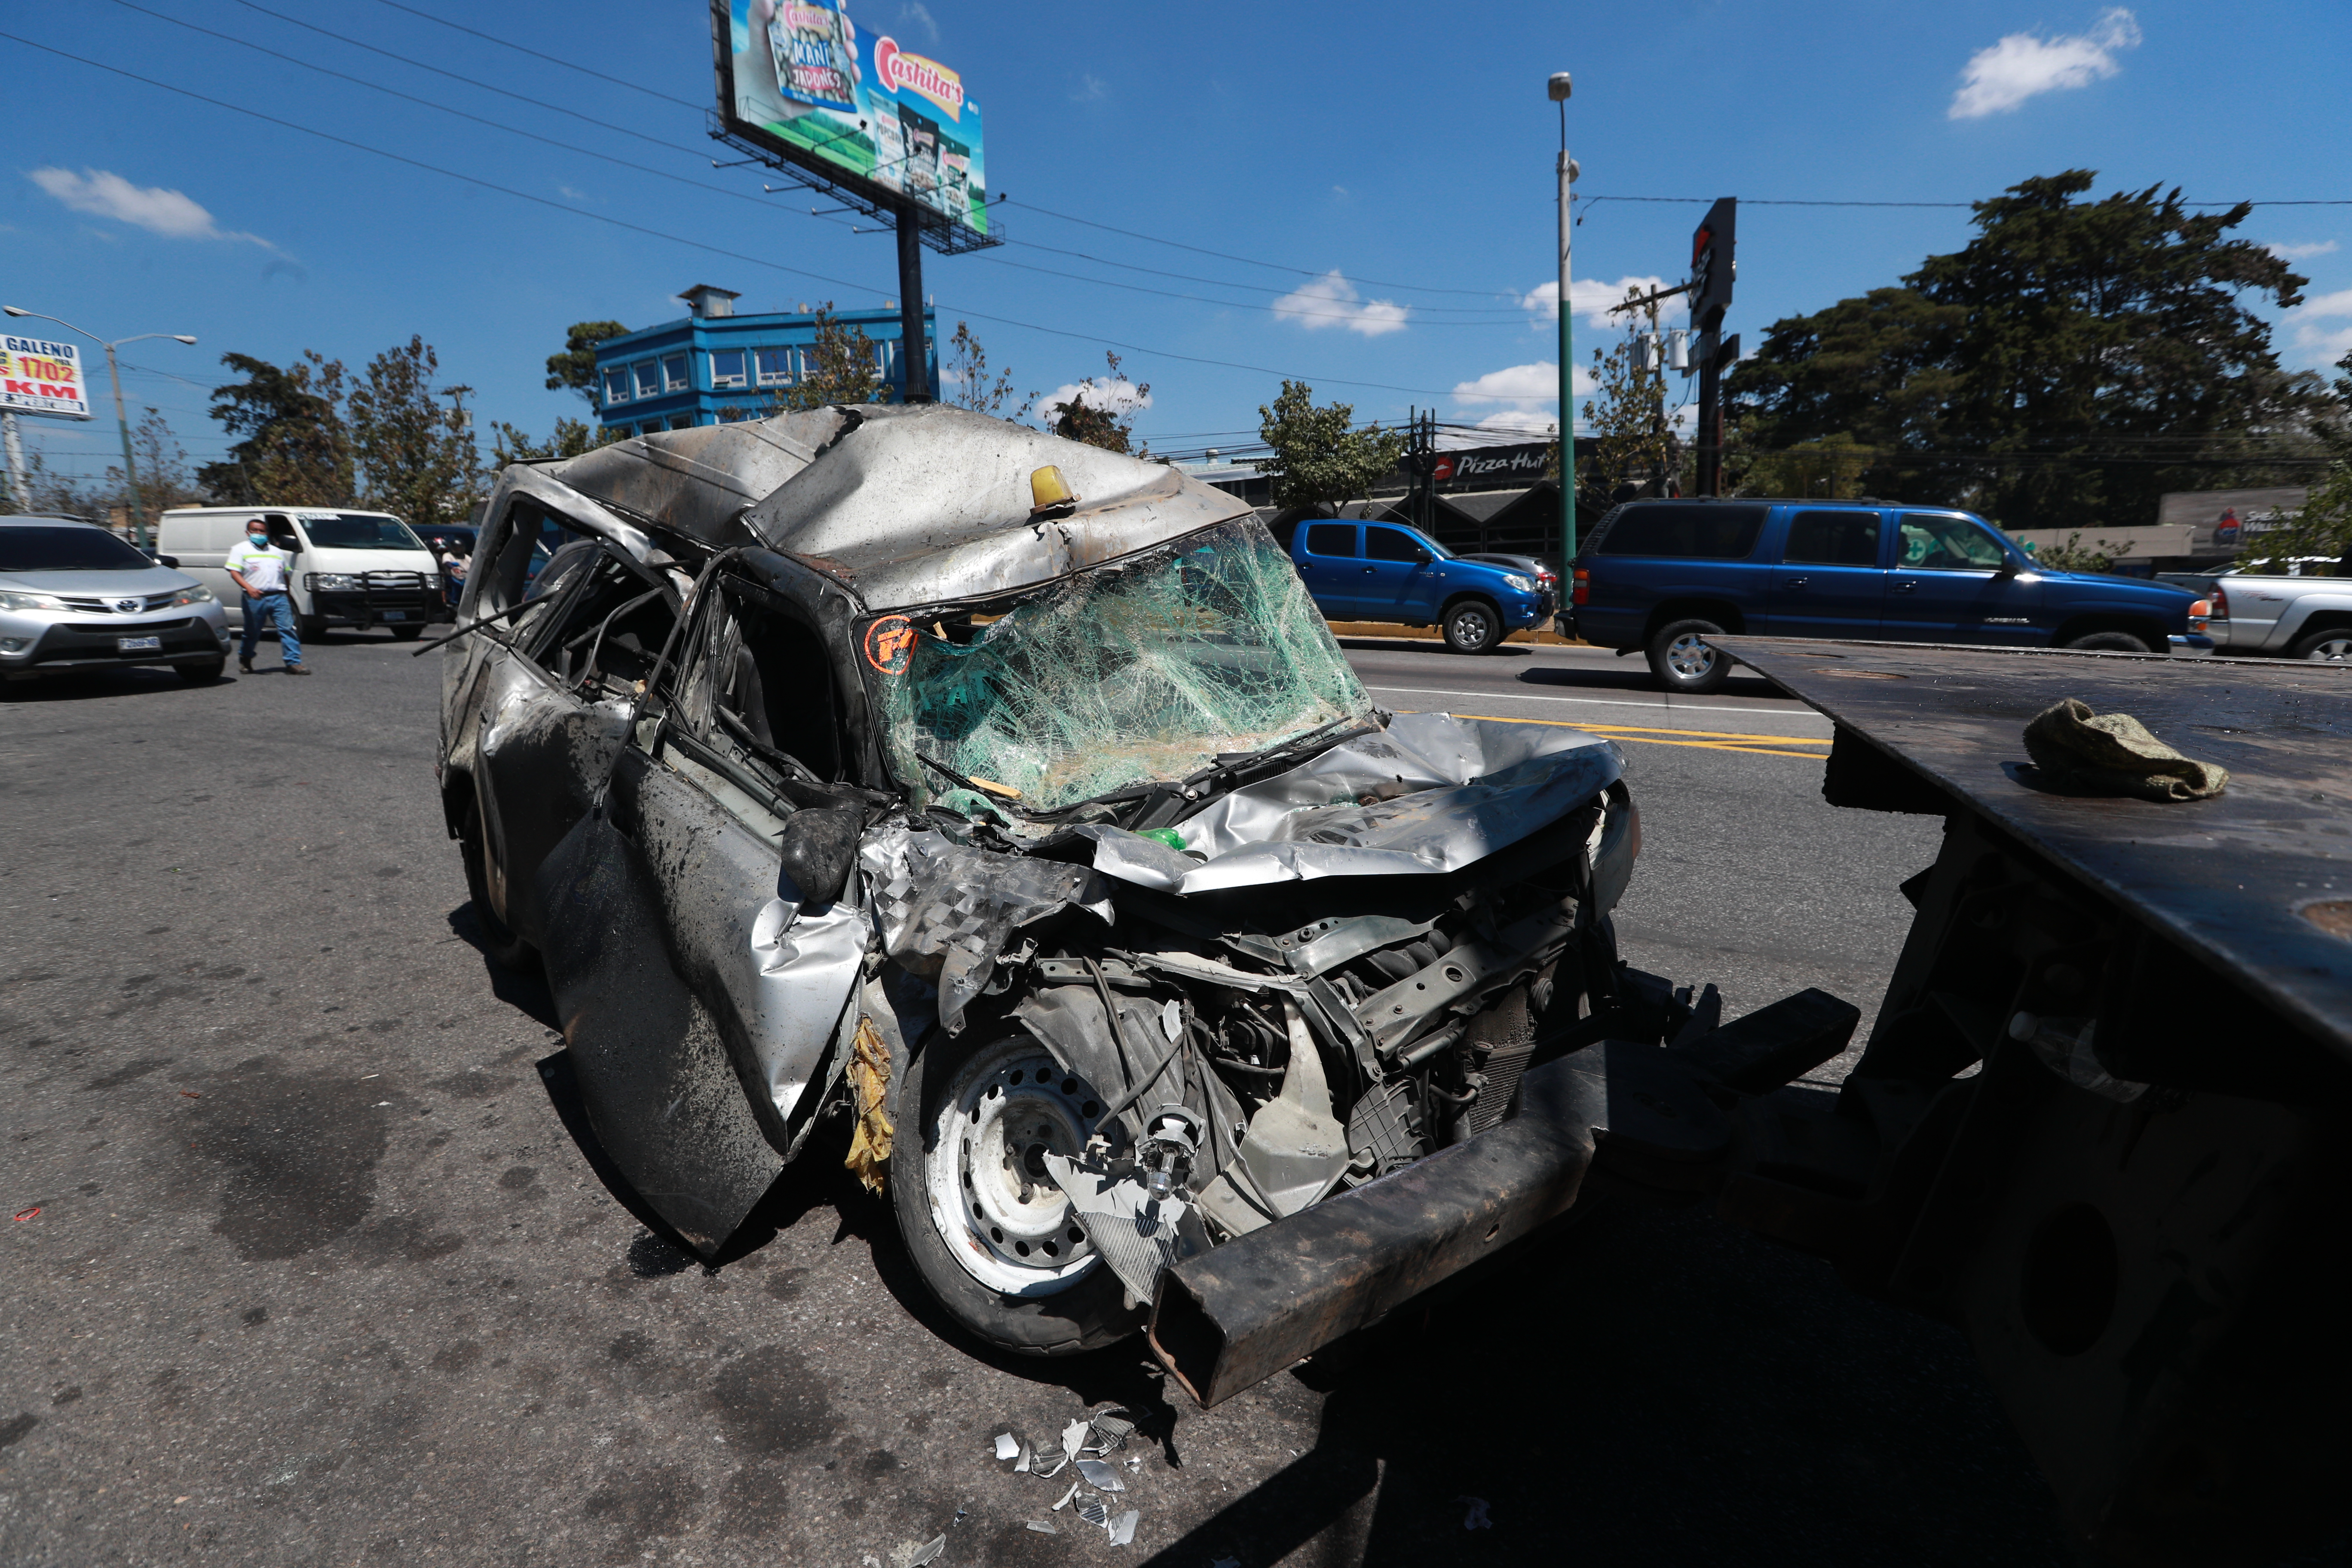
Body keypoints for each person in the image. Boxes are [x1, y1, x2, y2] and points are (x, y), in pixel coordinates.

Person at [225, 515, 308, 675]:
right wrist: (249, 588)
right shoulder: (240, 549)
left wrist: (287, 593)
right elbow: (234, 572)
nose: (259, 533)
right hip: (255, 597)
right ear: (248, 533)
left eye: (262, 531)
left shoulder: (277, 552)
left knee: (288, 629)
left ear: (267, 533)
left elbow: (284, 574)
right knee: (253, 631)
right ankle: (246, 658)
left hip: (278, 596)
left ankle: (293, 663)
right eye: (255, 530)